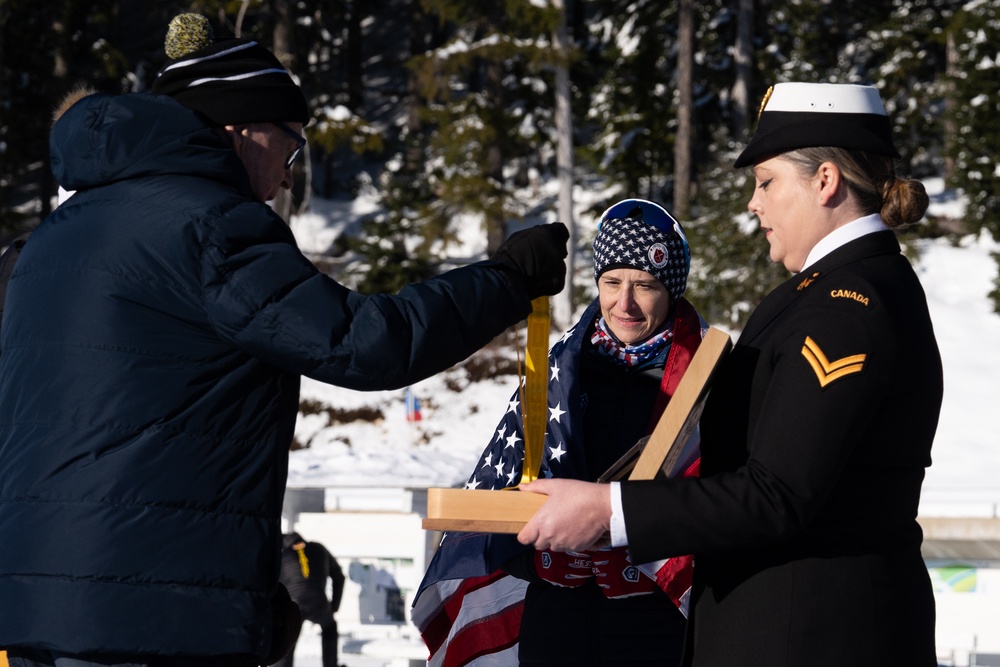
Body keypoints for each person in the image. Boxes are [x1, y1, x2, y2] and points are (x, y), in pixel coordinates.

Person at [0, 12, 568, 667]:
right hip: (150, 614)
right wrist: (507, 278)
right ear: (243, 129)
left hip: (35, 605)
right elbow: (365, 342)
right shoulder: (209, 226)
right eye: (293, 148)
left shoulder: (49, 240)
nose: (290, 177)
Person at [513, 82, 944, 667]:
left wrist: (607, 513)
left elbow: (778, 493)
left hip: (812, 637)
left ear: (825, 181)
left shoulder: (846, 305)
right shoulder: (829, 291)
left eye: (766, 181)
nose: (753, 203)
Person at [413, 198, 709, 666]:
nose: (624, 303)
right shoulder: (556, 375)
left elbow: (734, 509)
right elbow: (500, 500)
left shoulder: (709, 383)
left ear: (672, 289)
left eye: (645, 285)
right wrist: (537, 561)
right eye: (611, 283)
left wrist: (648, 564)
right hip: (556, 626)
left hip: (657, 632)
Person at [274, 533, 345, 667]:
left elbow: (274, 584)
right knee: (329, 627)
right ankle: (331, 665)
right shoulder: (319, 549)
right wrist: (334, 606)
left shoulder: (283, 554)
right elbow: (339, 577)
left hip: (294, 603)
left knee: (287, 636)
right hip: (319, 603)